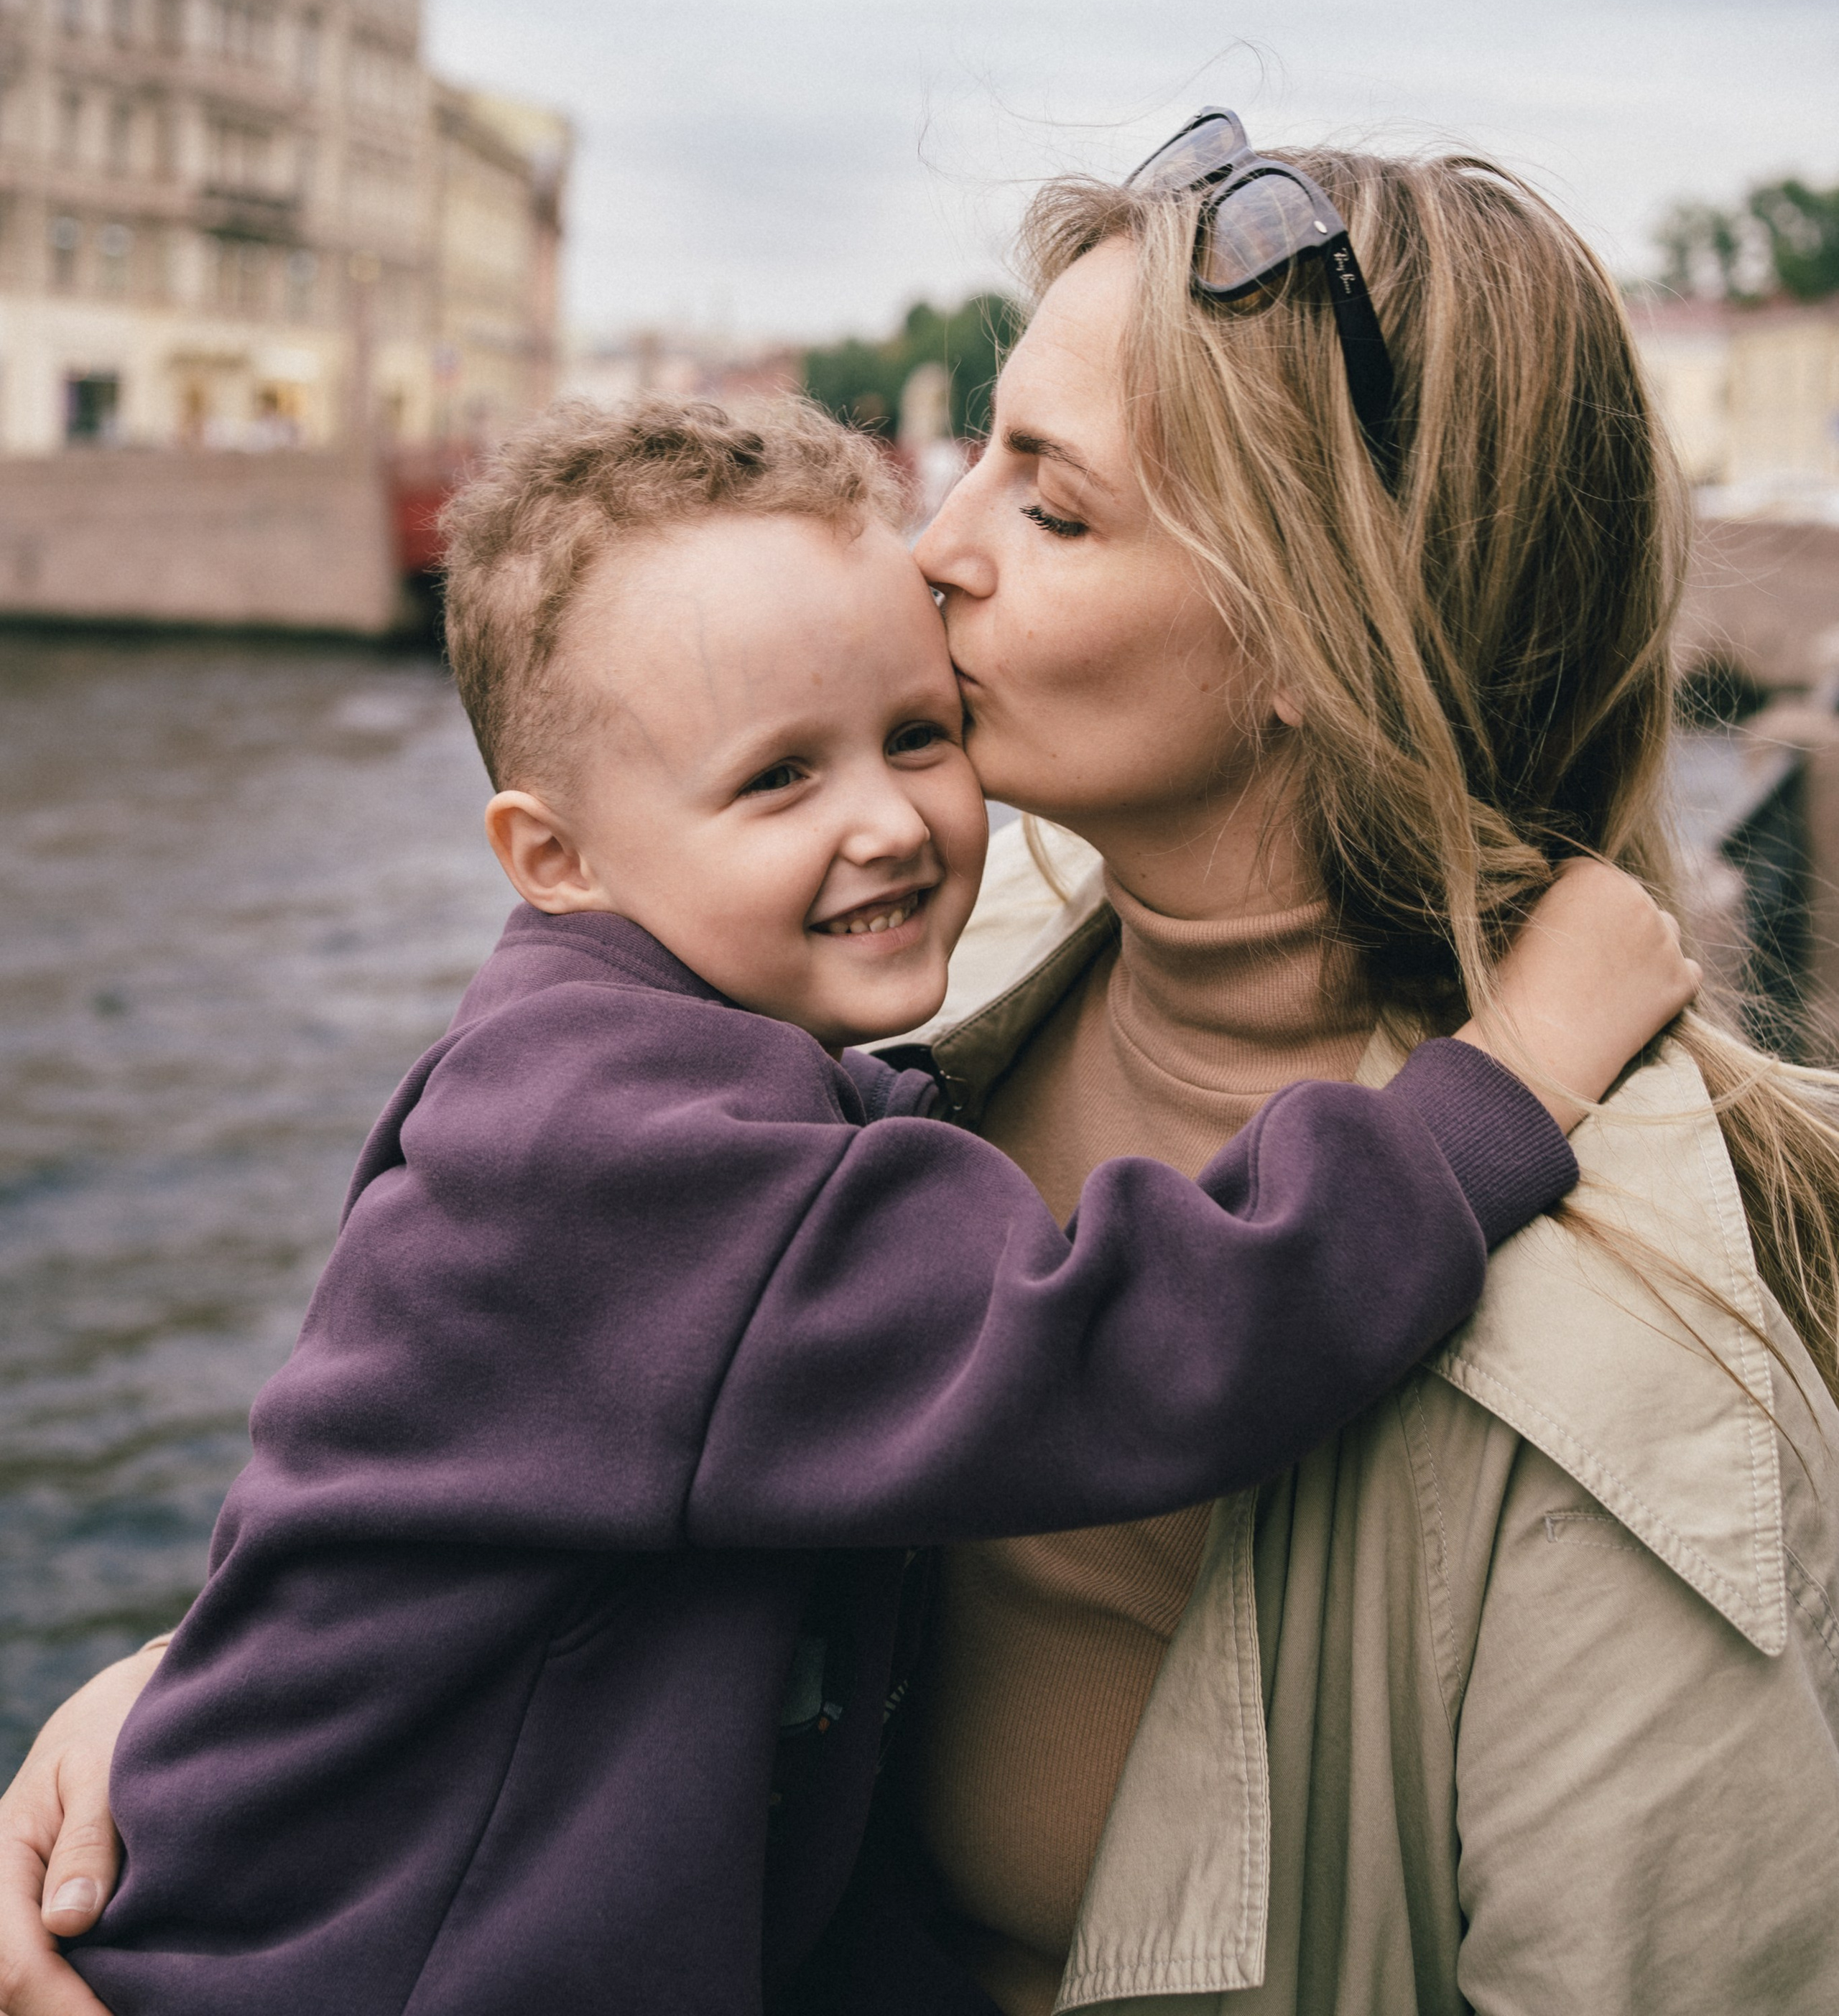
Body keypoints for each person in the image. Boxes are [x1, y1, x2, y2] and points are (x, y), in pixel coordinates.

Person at [0, 390, 1687, 2016]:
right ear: (554, 857)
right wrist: (1508, 1080)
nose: (885, 821)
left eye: (914, 736)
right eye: (775, 781)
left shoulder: (625, 1062)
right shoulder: (609, 1154)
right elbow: (1114, 1348)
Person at [789, 113, 1839, 2015]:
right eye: (973, 463)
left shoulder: (1626, 1390)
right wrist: (224, 1700)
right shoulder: (919, 974)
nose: (932, 553)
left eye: (1050, 503)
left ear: (1311, 629)